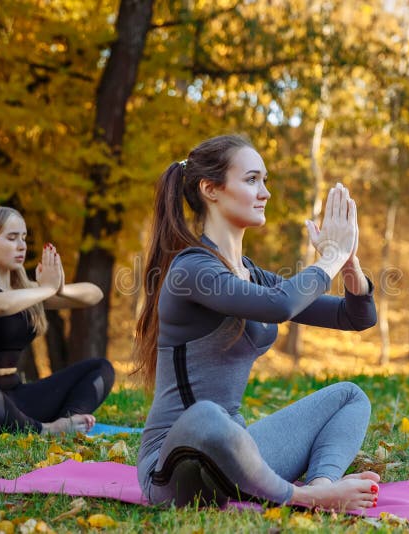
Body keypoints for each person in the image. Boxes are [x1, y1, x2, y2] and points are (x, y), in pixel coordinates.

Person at [134, 134, 380, 511]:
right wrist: (328, 258)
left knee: (349, 396)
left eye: (264, 181)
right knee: (206, 414)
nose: (265, 192)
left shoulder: (251, 274)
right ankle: (306, 497)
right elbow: (280, 306)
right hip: (174, 466)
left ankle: (324, 484)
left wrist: (348, 267)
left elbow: (355, 317)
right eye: (251, 180)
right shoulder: (191, 269)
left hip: (236, 451)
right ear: (211, 189)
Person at [0, 206, 115, 435]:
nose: (22, 245)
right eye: (12, 238)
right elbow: (1, 305)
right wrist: (46, 289)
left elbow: (94, 294)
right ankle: (44, 430)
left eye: (24, 238)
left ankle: (70, 423)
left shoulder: (28, 292)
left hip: (17, 399)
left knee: (100, 367)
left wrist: (60, 288)